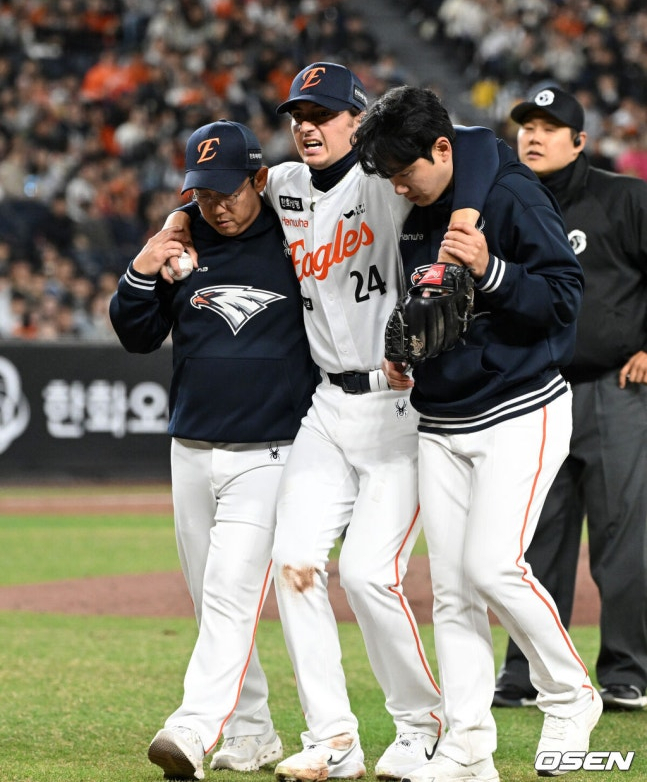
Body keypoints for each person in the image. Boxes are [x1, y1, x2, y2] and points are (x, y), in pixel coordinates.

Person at [165, 62, 499, 782]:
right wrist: (171, 222)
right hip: (326, 403)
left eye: (323, 113)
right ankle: (334, 736)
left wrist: (466, 216)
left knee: (369, 576)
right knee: (293, 566)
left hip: (400, 404)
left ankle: (421, 725)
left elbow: (475, 144)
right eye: (296, 115)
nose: (307, 126)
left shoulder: (383, 177)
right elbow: (205, 199)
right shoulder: (279, 184)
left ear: (358, 118)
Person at [353, 85, 601, 782]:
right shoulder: (418, 206)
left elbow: (563, 297)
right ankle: (466, 743)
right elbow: (434, 301)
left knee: (493, 566)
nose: (399, 185)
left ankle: (568, 693)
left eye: (406, 170)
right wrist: (407, 351)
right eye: (389, 176)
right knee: (453, 590)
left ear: (441, 149)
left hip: (522, 406)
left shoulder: (511, 196)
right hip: (440, 416)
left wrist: (491, 269)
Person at [110, 120, 319, 781]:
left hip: (271, 447)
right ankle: (254, 732)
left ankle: (193, 727)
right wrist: (143, 267)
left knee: (231, 592)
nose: (216, 203)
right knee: (209, 597)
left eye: (228, 189)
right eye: (203, 192)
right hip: (192, 443)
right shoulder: (183, 238)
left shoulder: (296, 237)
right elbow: (136, 334)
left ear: (259, 178)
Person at [492, 85, 647, 713]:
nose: (533, 134)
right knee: (530, 543)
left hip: (615, 391)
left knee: (624, 542)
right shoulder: (504, 206)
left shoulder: (624, 198)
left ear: (580, 141)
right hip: (534, 394)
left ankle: (627, 673)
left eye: (550, 127)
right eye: (526, 124)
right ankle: (526, 673)